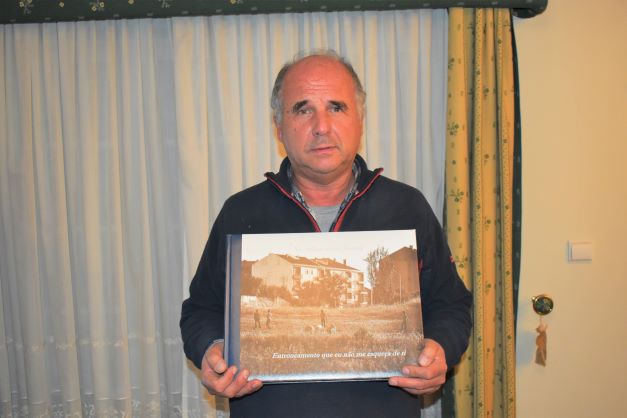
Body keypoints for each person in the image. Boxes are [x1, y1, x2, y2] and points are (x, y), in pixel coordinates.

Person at [180, 50, 472, 418]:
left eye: (337, 107)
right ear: (279, 126)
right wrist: (211, 349)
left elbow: (451, 305)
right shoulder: (240, 213)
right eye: (303, 110)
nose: (321, 126)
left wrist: (440, 348)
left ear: (359, 119)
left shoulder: (407, 207)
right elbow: (200, 310)